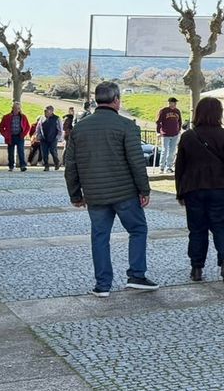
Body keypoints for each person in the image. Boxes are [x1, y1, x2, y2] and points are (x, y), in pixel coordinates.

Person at [64, 81, 159, 297]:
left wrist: (75, 195)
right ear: (116, 100)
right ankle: (136, 275)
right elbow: (137, 162)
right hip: (125, 193)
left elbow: (71, 166)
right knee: (138, 229)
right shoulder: (126, 126)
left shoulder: (80, 128)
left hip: (95, 194)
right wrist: (144, 190)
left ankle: (102, 285)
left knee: (100, 236)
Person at [174, 97, 224, 283]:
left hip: (193, 188)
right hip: (220, 187)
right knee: (221, 227)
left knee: (197, 229)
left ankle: (196, 268)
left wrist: (180, 191)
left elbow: (180, 166)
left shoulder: (188, 136)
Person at [0, 102, 32, 172]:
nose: (17, 110)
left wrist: (23, 134)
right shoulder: (6, 117)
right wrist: (5, 134)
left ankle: (22, 166)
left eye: (18, 108)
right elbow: (1, 127)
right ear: (12, 108)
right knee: (11, 152)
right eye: (15, 108)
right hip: (10, 137)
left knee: (21, 151)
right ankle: (11, 166)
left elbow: (27, 127)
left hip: (20, 136)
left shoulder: (23, 117)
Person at [157, 97, 183, 174]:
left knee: (172, 151)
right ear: (169, 103)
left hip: (175, 134)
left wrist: (179, 130)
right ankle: (161, 167)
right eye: (173, 102)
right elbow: (158, 122)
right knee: (164, 150)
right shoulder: (164, 111)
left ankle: (169, 167)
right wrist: (158, 131)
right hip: (165, 134)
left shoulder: (177, 111)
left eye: (175, 102)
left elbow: (180, 121)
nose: (174, 104)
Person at [36, 105, 63, 171]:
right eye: (45, 111)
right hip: (43, 138)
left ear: (51, 111)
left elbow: (60, 129)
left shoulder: (56, 118)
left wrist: (57, 138)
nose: (45, 112)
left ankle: (56, 163)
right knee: (44, 153)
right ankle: (46, 166)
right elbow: (38, 127)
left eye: (47, 111)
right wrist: (38, 135)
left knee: (53, 151)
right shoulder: (42, 118)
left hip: (53, 138)